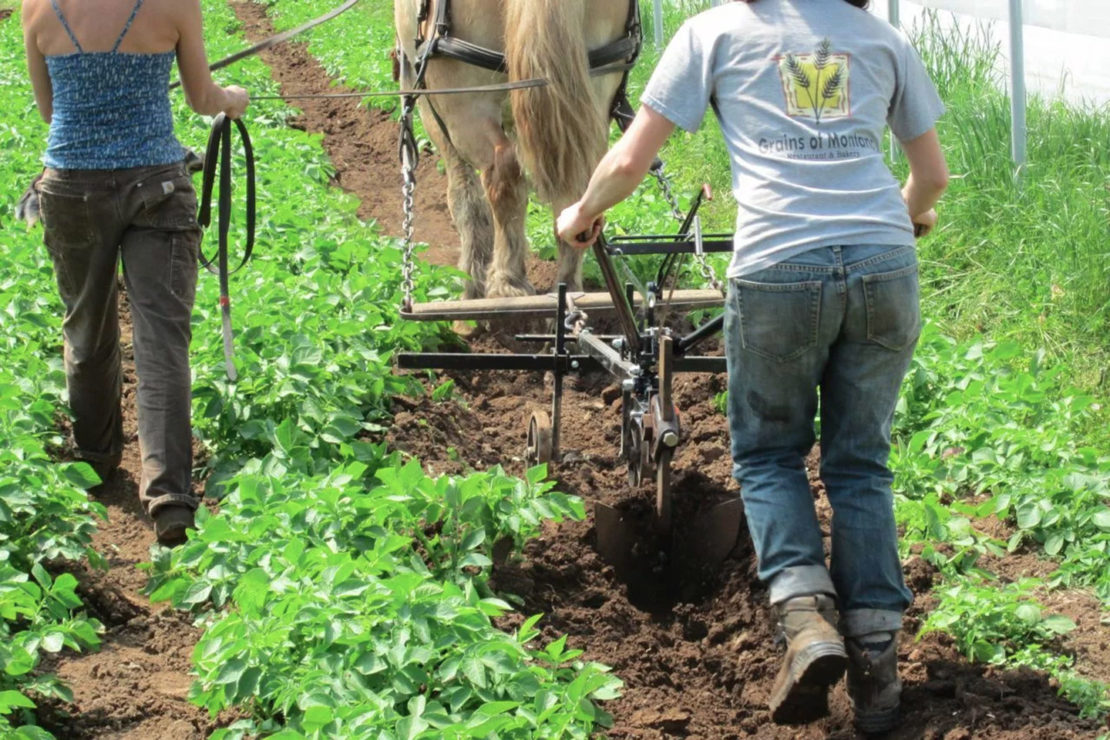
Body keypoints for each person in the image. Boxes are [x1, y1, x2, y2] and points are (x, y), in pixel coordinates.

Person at [557, 0, 947, 732]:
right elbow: (932, 177)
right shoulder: (884, 39)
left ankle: (805, 622)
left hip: (777, 271)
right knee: (861, 461)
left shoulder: (714, 31)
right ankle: (879, 673)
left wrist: (580, 213)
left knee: (769, 455)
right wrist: (906, 217)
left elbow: (632, 158)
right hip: (885, 264)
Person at [22, 0, 248, 546]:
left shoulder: (38, 9)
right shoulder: (174, 5)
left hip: (72, 190)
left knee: (87, 330)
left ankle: (96, 462)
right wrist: (232, 100)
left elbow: (52, 112)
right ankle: (170, 495)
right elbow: (201, 99)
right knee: (162, 342)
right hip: (157, 188)